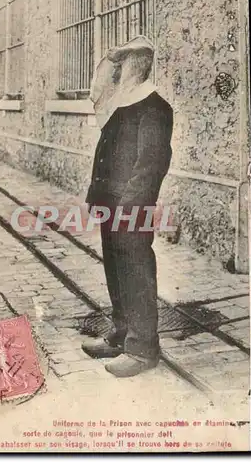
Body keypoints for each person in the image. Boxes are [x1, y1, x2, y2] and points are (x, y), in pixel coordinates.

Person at [81, 36, 173, 378]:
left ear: (139, 66)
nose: (117, 72)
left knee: (136, 274)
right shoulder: (124, 105)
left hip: (131, 208)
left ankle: (142, 348)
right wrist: (98, 198)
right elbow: (105, 156)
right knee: (116, 272)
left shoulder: (155, 107)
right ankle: (121, 334)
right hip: (110, 204)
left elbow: (151, 165)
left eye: (123, 65)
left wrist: (130, 209)